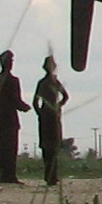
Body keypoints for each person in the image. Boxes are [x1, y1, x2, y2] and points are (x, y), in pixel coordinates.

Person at [0, 50, 31, 184]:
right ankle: (5, 176)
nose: (10, 63)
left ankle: (8, 176)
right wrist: (23, 107)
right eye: (9, 61)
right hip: (5, 118)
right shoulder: (2, 80)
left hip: (6, 118)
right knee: (4, 148)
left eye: (11, 61)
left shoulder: (9, 80)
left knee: (9, 149)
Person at [33, 54, 70, 185]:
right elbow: (35, 101)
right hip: (48, 116)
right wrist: (41, 113)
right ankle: (50, 175)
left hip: (51, 116)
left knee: (53, 146)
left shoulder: (53, 82)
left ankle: (52, 175)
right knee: (48, 146)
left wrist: (56, 107)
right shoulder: (45, 83)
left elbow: (65, 96)